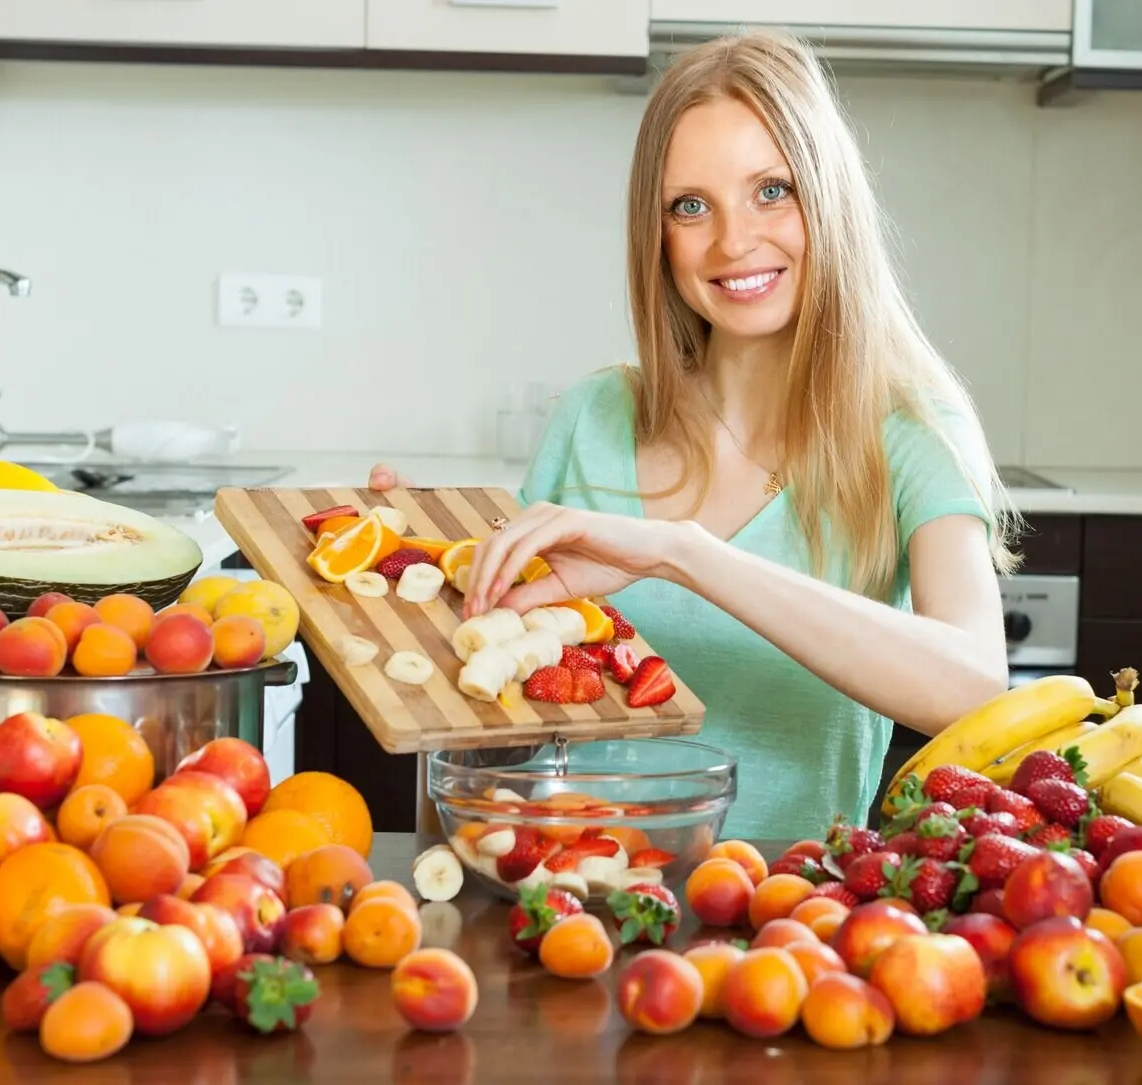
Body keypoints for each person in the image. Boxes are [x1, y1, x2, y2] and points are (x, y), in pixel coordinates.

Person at [369, 29, 1019, 839]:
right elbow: (493, 707)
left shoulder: (910, 428)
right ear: (659, 233)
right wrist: (411, 579)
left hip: (784, 933)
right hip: (569, 910)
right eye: (691, 206)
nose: (733, 240)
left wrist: (685, 554)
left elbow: (974, 682)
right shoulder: (593, 416)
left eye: (771, 190)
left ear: (829, 197)